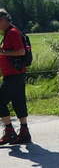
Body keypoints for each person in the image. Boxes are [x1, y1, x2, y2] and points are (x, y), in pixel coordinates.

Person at [0, 9, 32, 144]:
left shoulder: (12, 33)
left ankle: (9, 132)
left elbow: (20, 51)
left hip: (14, 75)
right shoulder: (10, 32)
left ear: (4, 20)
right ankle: (24, 132)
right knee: (18, 102)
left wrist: (2, 51)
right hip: (16, 74)